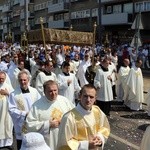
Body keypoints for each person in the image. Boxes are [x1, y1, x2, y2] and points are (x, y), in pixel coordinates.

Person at [57, 84, 110, 150]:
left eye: (91, 97)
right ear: (80, 96)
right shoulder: (69, 117)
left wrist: (100, 138)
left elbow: (104, 127)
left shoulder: (97, 111)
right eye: (85, 96)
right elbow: (64, 143)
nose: (88, 100)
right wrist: (86, 145)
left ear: (95, 98)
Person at [25, 80, 74, 150]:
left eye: (55, 90)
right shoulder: (37, 105)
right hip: (48, 142)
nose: (53, 93)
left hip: (65, 138)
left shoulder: (65, 101)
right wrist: (48, 124)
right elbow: (29, 124)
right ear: (44, 92)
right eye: (50, 91)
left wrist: (64, 120)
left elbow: (74, 115)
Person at [8, 70, 41, 150]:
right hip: (22, 124)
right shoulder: (13, 94)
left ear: (28, 80)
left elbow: (40, 104)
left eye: (24, 80)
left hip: (34, 122)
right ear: (18, 80)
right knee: (22, 146)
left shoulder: (34, 91)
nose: (23, 82)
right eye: (20, 80)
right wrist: (24, 113)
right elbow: (11, 110)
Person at [0, 71, 14, 149]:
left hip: (7, 111)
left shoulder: (8, 87)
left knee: (7, 126)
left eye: (2, 78)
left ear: (5, 78)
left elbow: (14, 98)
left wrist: (7, 93)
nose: (1, 80)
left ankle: (8, 143)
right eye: (0, 78)